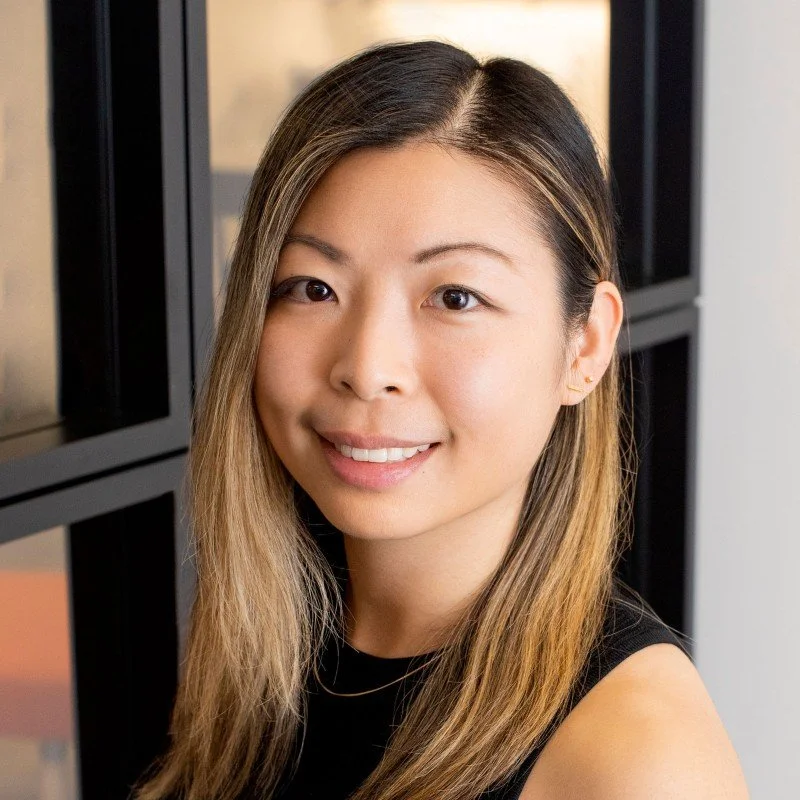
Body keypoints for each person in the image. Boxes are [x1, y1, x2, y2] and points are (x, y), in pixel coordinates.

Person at [134, 40, 749, 800]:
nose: (367, 365)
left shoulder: (636, 754)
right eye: (313, 288)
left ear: (584, 344)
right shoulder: (254, 648)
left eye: (456, 297)